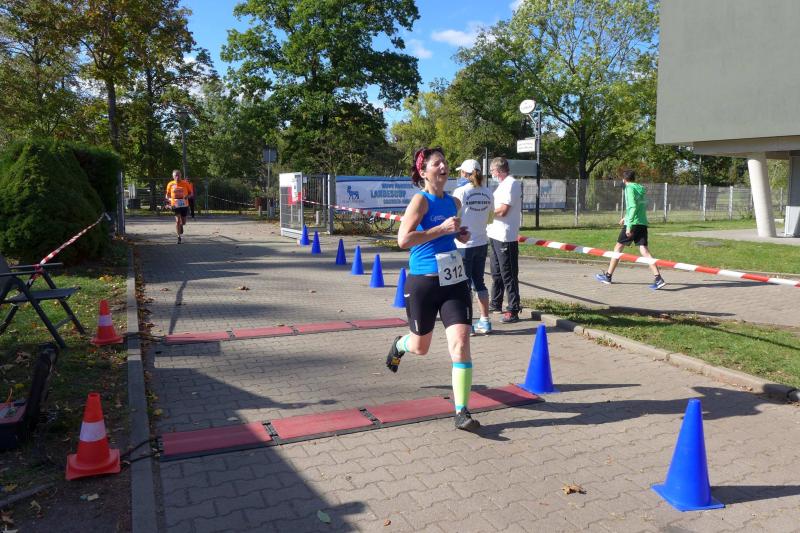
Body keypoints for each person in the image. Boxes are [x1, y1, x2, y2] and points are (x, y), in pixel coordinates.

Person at [385, 147, 480, 432]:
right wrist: (441, 229)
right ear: (424, 172)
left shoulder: (454, 202)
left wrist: (460, 234)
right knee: (420, 347)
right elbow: (403, 240)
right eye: (437, 163)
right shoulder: (420, 200)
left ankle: (461, 411)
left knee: (460, 344)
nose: (443, 167)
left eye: (445, 162)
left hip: (454, 280)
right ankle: (399, 345)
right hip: (423, 282)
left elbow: (451, 234)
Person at [595, 169, 666, 289]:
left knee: (618, 248)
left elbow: (632, 207)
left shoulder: (629, 188)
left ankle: (608, 276)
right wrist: (626, 217)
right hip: (642, 223)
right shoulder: (639, 188)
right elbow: (638, 206)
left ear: (624, 180)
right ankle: (658, 278)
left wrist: (628, 226)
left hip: (633, 224)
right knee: (644, 250)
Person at [452, 159, 493, 335]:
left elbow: (453, 217)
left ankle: (466, 324)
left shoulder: (460, 192)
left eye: (460, 172)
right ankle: (485, 321)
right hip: (481, 242)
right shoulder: (488, 192)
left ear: (464, 174)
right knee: (479, 282)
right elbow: (490, 218)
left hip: (464, 244)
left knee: (464, 285)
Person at [486, 157, 523, 323]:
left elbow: (503, 210)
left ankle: (513, 309)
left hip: (505, 236)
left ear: (499, 170)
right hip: (494, 234)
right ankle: (496, 302)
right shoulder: (502, 185)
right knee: (496, 272)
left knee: (509, 274)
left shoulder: (512, 184)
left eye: (492, 171)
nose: (491, 174)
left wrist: (485, 213)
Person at [165, 169, 191, 243]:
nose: (177, 177)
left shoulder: (185, 183)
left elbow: (190, 193)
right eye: (175, 175)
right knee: (177, 221)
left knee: (183, 222)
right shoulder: (170, 184)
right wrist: (168, 200)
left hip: (184, 204)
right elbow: (167, 194)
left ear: (180, 176)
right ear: (173, 176)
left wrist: (187, 196)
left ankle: (181, 225)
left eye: (178, 175)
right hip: (175, 204)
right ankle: (178, 237)